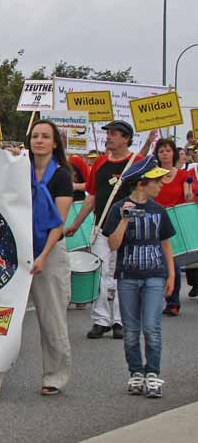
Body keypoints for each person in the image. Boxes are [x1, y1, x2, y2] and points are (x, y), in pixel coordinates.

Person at [0, 120, 74, 402]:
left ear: (55, 144)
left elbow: (59, 223)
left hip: (48, 250)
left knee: (51, 318)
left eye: (46, 137)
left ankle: (54, 376)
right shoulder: (18, 168)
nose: (39, 140)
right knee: (1, 316)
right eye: (35, 136)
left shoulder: (62, 176)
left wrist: (42, 256)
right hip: (15, 250)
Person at [103, 156, 176, 399]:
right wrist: (124, 219)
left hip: (155, 275)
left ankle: (153, 374)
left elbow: (166, 244)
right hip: (127, 276)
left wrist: (171, 274)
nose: (161, 185)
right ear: (142, 184)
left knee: (152, 327)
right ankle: (136, 372)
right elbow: (113, 245)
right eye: (157, 181)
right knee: (132, 330)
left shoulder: (159, 211)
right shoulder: (118, 208)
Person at [65, 120, 143, 339]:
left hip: (128, 227)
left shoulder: (137, 163)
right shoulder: (99, 162)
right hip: (101, 226)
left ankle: (120, 320)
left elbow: (144, 198)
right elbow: (91, 198)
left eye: (114, 134)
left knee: (122, 276)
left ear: (126, 138)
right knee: (100, 273)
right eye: (108, 133)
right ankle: (101, 320)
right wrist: (76, 224)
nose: (108, 137)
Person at [153, 138, 193, 316]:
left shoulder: (184, 176)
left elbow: (188, 196)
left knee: (173, 263)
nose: (165, 153)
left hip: (175, 224)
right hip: (155, 220)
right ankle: (154, 298)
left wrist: (189, 193)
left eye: (168, 150)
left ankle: (173, 302)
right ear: (158, 154)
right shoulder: (152, 174)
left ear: (173, 153)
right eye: (161, 151)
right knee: (155, 262)